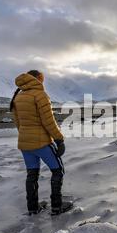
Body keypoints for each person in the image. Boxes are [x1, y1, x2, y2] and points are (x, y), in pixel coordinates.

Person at [10, 70, 72, 216]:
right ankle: (57, 206)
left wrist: (26, 136)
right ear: (37, 79)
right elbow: (48, 121)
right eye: (42, 79)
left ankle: (33, 208)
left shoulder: (18, 97)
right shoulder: (40, 95)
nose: (42, 82)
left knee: (32, 174)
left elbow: (18, 123)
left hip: (25, 144)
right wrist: (59, 139)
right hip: (42, 143)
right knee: (58, 171)